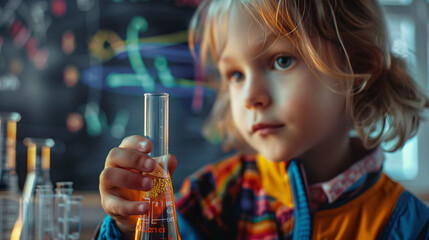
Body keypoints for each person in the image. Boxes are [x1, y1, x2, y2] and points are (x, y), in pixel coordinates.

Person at [96, 0, 429, 239]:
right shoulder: (215, 195)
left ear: (360, 67)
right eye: (236, 75)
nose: (250, 96)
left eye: (282, 60)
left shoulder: (406, 224)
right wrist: (130, 226)